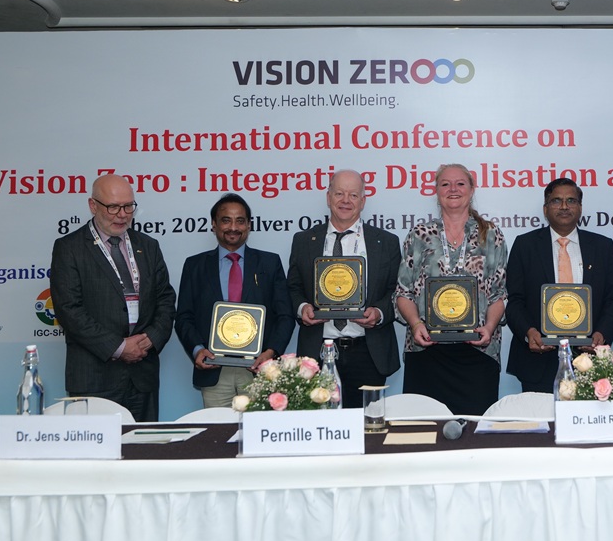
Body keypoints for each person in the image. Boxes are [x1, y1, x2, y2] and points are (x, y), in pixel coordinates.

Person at [50, 174, 176, 421]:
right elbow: (69, 309)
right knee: (95, 446)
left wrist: (150, 339)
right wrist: (119, 348)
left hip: (142, 376)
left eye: (128, 206)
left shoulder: (148, 246)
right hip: (95, 377)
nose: (122, 215)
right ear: (93, 205)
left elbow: (165, 299)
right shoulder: (69, 248)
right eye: (113, 207)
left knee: (142, 444)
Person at [395, 163, 508, 415]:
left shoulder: (491, 235)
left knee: (474, 432)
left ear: (472, 189)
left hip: (478, 351)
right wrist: (415, 324)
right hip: (426, 350)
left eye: (460, 183)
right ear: (436, 191)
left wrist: (489, 328)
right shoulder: (419, 235)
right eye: (445, 184)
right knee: (425, 431)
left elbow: (499, 294)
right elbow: (403, 293)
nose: (453, 189)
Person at [287, 170, 401, 409]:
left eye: (353, 195)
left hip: (368, 353)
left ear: (363, 201)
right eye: (339, 193)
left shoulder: (386, 242)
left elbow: (397, 291)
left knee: (367, 425)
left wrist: (379, 313)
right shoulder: (304, 241)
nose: (345, 200)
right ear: (328, 197)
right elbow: (293, 287)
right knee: (320, 425)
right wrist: (302, 308)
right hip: (318, 352)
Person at [505, 178, 613, 392]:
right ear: (545, 208)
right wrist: (528, 332)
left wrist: (602, 333)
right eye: (556, 201)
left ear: (580, 208)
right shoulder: (525, 245)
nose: (564, 206)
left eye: (571, 200)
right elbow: (514, 300)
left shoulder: (602, 246)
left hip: (589, 360)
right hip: (537, 360)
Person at [174, 193, 295, 407]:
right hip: (214, 369)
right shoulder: (195, 266)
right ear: (214, 224)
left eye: (240, 221)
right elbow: (184, 317)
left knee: (260, 427)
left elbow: (285, 315)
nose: (233, 227)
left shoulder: (269, 263)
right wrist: (197, 349)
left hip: (258, 370)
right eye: (226, 220)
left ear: (249, 225)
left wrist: (271, 353)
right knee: (217, 428)